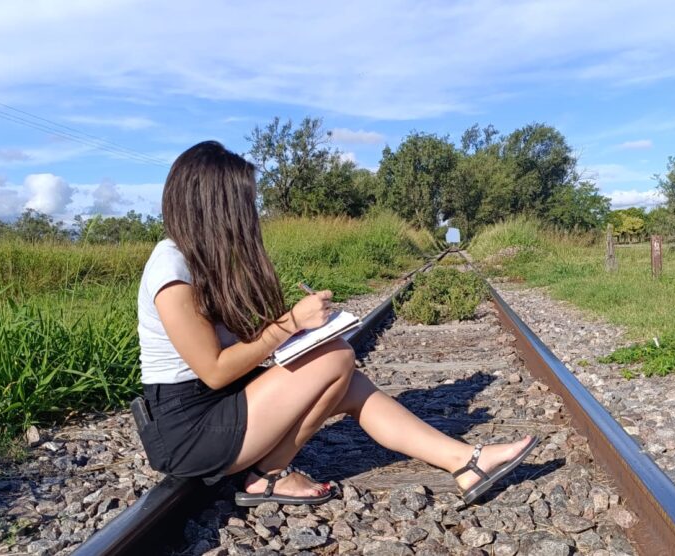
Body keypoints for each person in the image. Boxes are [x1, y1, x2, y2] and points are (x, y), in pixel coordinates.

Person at [137, 140, 538, 507]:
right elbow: (213, 371)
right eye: (246, 203)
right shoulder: (171, 270)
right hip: (190, 429)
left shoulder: (208, 260)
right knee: (336, 359)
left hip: (221, 408)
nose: (252, 214)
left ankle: (465, 462)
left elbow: (241, 350)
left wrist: (301, 331)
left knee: (351, 382)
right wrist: (292, 322)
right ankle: (266, 476)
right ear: (213, 205)